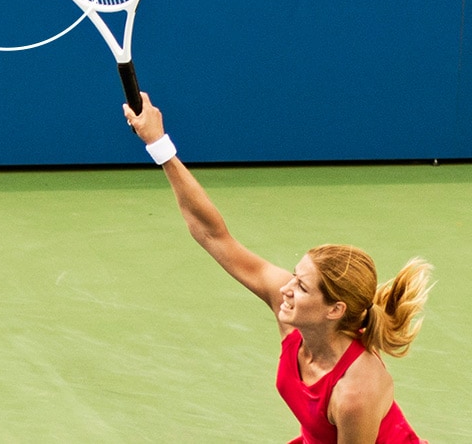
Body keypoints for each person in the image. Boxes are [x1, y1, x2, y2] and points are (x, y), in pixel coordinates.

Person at [124, 93, 432, 442]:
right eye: (295, 276)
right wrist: (159, 145)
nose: (285, 288)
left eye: (302, 287)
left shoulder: (355, 392)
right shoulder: (292, 312)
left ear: (335, 309)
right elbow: (214, 236)